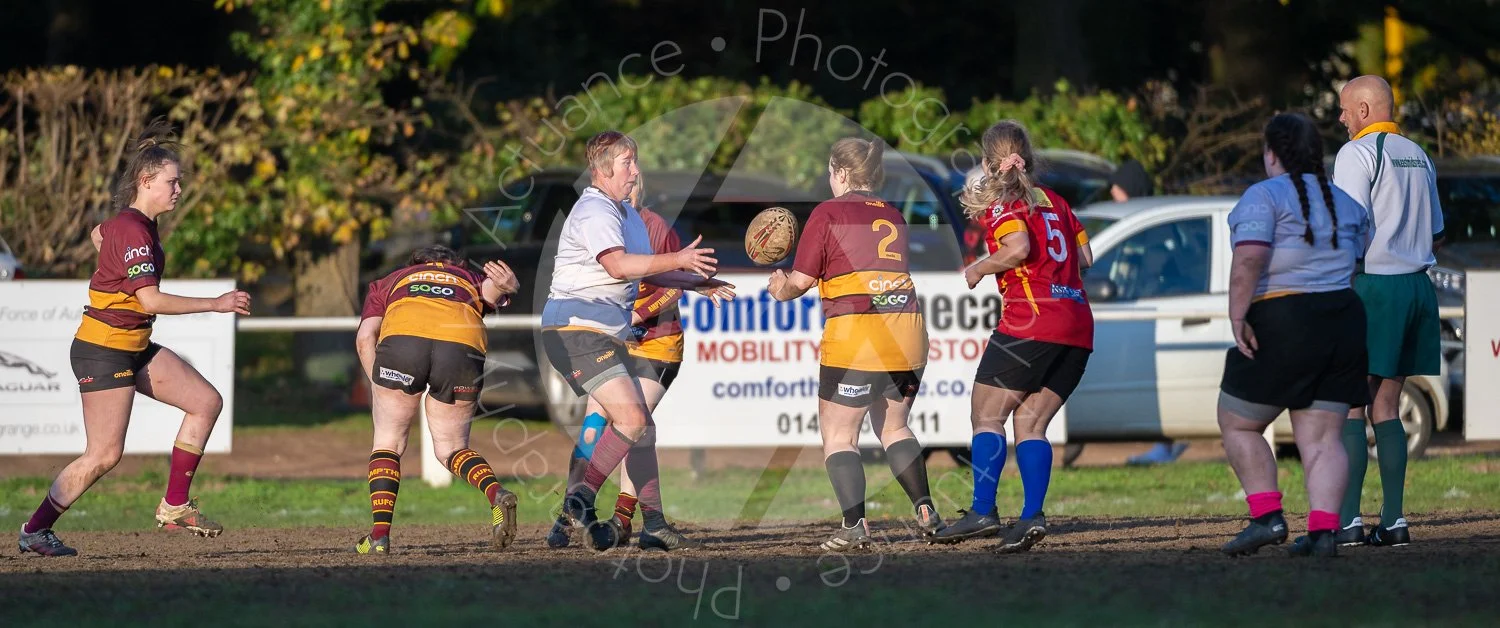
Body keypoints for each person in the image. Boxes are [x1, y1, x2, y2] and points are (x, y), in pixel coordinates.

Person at [18, 121, 252, 557]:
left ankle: (175, 505)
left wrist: (109, 253)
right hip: (103, 351)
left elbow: (100, 235)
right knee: (104, 455)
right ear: (146, 182)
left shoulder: (129, 226)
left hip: (132, 345)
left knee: (206, 402)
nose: (178, 189)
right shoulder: (134, 229)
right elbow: (149, 300)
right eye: (172, 181)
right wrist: (215, 303)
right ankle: (34, 529)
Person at [542, 130, 734, 552]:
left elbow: (647, 272)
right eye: (628, 161)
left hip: (601, 335)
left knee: (638, 425)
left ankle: (653, 523)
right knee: (629, 420)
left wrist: (694, 282)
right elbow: (617, 266)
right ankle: (582, 498)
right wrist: (680, 259)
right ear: (602, 168)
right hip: (576, 329)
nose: (636, 170)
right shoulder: (594, 209)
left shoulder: (625, 215)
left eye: (635, 160)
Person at [768, 137, 944, 552]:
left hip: (858, 333)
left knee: (839, 436)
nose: (830, 180)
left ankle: (854, 526)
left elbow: (800, 282)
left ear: (843, 173)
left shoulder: (828, 212)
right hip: (907, 328)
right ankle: (924, 508)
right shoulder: (895, 214)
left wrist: (779, 288)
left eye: (831, 172)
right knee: (895, 426)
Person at [931, 121, 1092, 554]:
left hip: (1032, 321)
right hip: (1077, 325)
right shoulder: (1057, 201)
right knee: (1030, 423)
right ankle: (1031, 517)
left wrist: (979, 268)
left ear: (987, 162)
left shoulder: (1007, 203)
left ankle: (983, 511)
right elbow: (1086, 257)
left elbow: (1018, 247)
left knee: (986, 417)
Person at [1218, 113, 1373, 558]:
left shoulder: (1263, 196)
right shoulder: (1347, 203)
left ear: (1272, 153)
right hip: (1342, 316)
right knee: (1324, 437)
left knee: (1239, 421)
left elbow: (1249, 259)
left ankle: (1266, 516)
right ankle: (1324, 531)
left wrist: (1237, 315)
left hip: (1285, 315)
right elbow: (1357, 256)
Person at [544, 175, 687, 549]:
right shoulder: (598, 220)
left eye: (637, 182)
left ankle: (625, 519)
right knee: (596, 425)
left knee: (636, 424)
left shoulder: (653, 226)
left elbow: (675, 284)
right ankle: (571, 516)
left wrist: (637, 317)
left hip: (657, 343)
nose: (631, 186)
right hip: (612, 340)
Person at [1332, 75, 1444, 548]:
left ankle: (1348, 521)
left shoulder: (1355, 153)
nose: (1339, 118)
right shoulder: (1418, 154)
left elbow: (1349, 225)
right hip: (1418, 286)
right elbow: (1437, 229)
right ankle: (1394, 520)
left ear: (1362, 110)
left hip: (1373, 286)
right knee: (1388, 405)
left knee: (1352, 404)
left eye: (1343, 109)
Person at [352, 245, 521, 554]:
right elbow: (496, 289)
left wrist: (380, 384)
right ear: (451, 263)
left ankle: (379, 536)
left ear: (414, 264)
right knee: (452, 448)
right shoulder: (467, 277)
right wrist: (510, 286)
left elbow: (365, 339)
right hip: (461, 348)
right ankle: (496, 493)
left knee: (388, 442)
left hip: (404, 343)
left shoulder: (390, 281)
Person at [1107, 159, 1191, 466]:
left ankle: (1165, 444)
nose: (1114, 195)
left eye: (1116, 190)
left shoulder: (1147, 230)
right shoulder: (1142, 224)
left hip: (1154, 315)